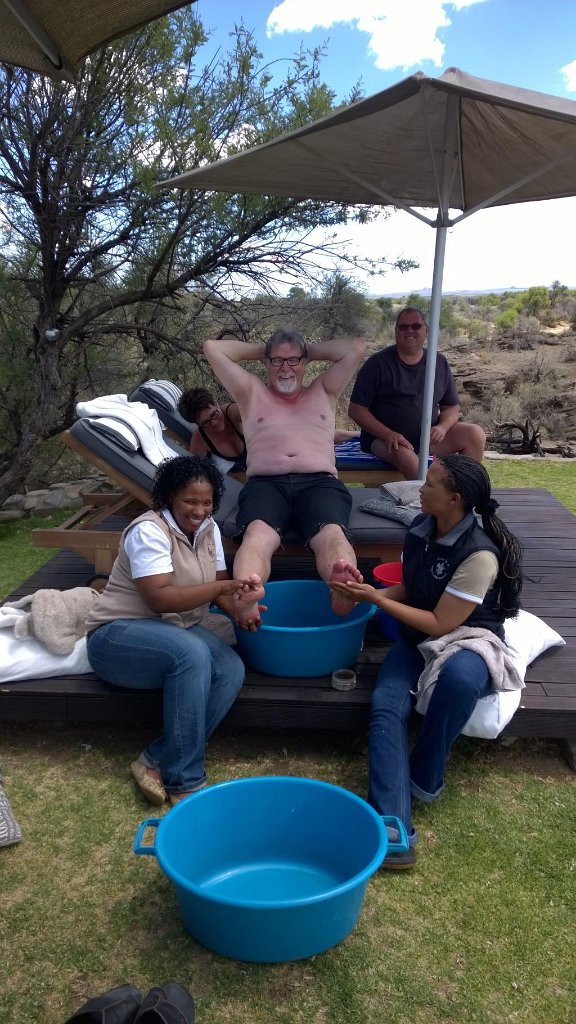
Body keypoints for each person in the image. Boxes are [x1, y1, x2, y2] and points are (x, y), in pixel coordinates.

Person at [330, 455, 523, 870]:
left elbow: (441, 623)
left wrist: (376, 600)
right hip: (417, 638)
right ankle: (392, 826)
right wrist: (363, 592)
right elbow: (411, 587)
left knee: (460, 680)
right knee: (386, 707)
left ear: (455, 499)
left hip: (468, 637)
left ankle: (424, 776)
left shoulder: (479, 555)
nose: (420, 488)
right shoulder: (420, 528)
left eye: (430, 484)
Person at [84, 455, 264, 806]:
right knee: (191, 654)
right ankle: (185, 781)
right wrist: (220, 589)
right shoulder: (148, 531)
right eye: (190, 501)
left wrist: (239, 610)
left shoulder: (209, 529)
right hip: (116, 636)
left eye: (207, 502)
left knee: (229, 668)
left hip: (174, 630)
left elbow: (218, 584)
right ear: (170, 497)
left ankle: (154, 759)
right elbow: (159, 598)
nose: (199, 510)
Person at [203, 328, 367, 622]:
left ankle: (342, 589)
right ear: (266, 363)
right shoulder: (250, 392)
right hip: (266, 484)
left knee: (331, 532)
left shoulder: (325, 389)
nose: (285, 368)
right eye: (277, 361)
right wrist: (271, 349)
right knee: (257, 534)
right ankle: (248, 591)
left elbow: (354, 346)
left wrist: (303, 350)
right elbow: (212, 348)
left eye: (293, 361)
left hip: (319, 483)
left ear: (305, 362)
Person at [348, 307, 486, 480]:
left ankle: (465, 490)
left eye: (416, 326)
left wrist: (442, 427)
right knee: (406, 457)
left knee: (475, 434)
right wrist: (388, 434)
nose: (409, 331)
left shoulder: (438, 362)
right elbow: (356, 410)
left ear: (426, 330)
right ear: (396, 331)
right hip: (385, 440)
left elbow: (451, 407)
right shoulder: (377, 364)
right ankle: (429, 495)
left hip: (428, 439)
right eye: (403, 327)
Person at [177, 387, 247, 466]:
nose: (214, 423)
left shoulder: (233, 412)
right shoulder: (200, 439)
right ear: (198, 424)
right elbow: (192, 468)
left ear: (216, 405)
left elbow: (254, 407)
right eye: (206, 422)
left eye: (214, 414)